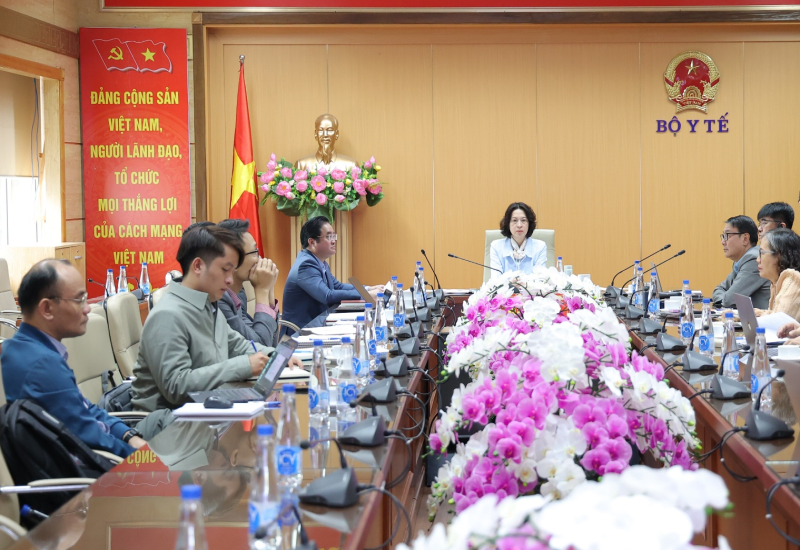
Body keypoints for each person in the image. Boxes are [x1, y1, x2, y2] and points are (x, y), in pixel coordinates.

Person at [131, 225, 302, 439]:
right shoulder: (168, 314)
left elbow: (238, 345)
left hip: (205, 420)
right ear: (198, 266)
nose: (230, 280)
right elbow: (176, 386)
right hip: (167, 434)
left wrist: (274, 356)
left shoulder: (207, 304)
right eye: (225, 270)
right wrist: (245, 365)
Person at [1, 259, 145, 458]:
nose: (87, 308)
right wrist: (144, 456)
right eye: (79, 300)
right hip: (93, 469)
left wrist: (128, 434)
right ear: (47, 309)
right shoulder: (42, 364)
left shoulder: (28, 349)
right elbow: (88, 436)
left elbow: (85, 409)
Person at [282, 216, 380, 333]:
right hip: (300, 332)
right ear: (312, 242)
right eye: (329, 237)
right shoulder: (306, 265)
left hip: (317, 325)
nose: (334, 241)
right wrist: (365, 295)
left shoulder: (318, 262)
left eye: (334, 236)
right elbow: (327, 295)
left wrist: (368, 289)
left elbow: (338, 286)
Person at [217, 218, 279, 346]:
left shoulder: (238, 292)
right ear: (233, 260)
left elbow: (271, 344)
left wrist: (269, 289)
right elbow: (259, 346)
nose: (260, 259)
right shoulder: (219, 299)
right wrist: (262, 290)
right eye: (255, 252)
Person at [711, 215, 770, 309]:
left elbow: (730, 300)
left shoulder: (754, 260)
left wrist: (723, 300)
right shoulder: (741, 260)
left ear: (745, 239)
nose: (723, 242)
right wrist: (724, 300)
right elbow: (719, 289)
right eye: (723, 236)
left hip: (762, 318)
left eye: (727, 236)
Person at [753, 228, 800, 319]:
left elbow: (779, 320)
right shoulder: (776, 282)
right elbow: (774, 313)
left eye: (762, 253)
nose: (758, 260)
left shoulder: (793, 279)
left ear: (779, 255)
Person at [489, 202, 547, 274]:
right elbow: (496, 278)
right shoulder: (496, 246)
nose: (519, 225)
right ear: (508, 224)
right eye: (514, 220)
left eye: (523, 220)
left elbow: (540, 277)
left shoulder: (540, 247)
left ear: (529, 223)